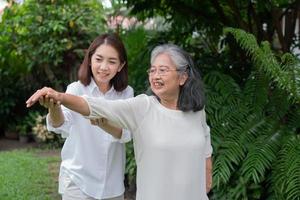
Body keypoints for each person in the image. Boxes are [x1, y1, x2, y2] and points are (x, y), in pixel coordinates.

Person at [26, 44, 213, 200]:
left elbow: (205, 142)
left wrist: (207, 172)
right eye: (153, 70)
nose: (155, 76)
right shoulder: (143, 106)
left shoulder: (197, 111)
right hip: (85, 182)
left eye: (162, 70)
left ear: (183, 77)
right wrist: (59, 97)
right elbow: (96, 106)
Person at [35, 33, 134, 200]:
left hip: (112, 185)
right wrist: (54, 107)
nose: (103, 67)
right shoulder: (76, 89)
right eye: (99, 59)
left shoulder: (126, 93)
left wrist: (105, 125)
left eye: (112, 61)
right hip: (78, 181)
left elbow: (126, 133)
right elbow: (60, 124)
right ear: (89, 60)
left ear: (121, 65)